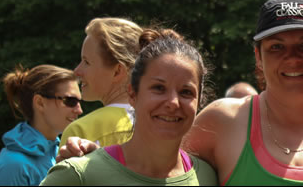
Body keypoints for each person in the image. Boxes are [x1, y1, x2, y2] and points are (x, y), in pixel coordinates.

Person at [57, 0, 303, 186]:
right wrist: (98, 164)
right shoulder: (223, 121)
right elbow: (157, 165)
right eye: (276, 47)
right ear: (258, 56)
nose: (292, 58)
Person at [40, 28, 217, 185]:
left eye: (186, 92)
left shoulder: (206, 177)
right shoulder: (78, 175)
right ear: (132, 93)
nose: (173, 102)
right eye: (158, 88)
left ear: (199, 100)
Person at [58, 18, 143, 154]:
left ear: (117, 71)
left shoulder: (80, 133)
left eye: (86, 62)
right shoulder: (161, 126)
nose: (77, 71)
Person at [0, 64, 83, 186]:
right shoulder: (12, 165)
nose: (79, 110)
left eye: (79, 101)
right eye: (70, 101)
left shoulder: (64, 155)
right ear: (40, 103)